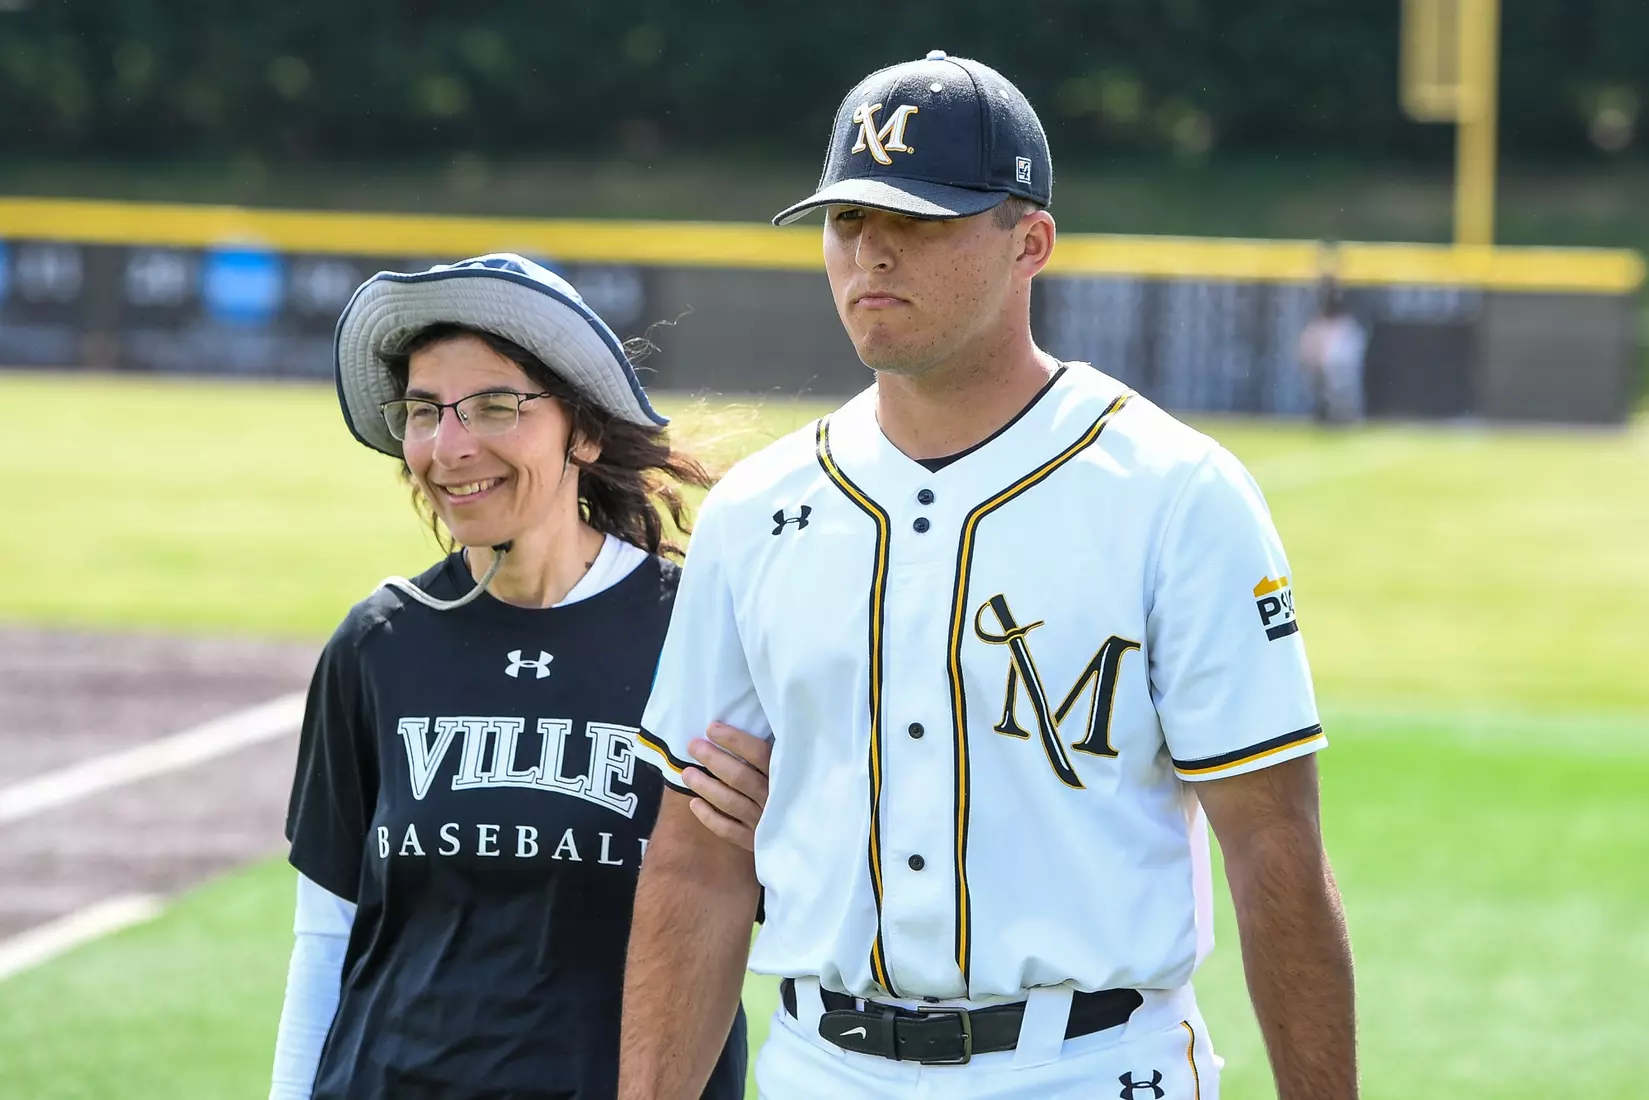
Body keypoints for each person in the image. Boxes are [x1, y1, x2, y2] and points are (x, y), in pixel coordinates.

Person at [621, 52, 1357, 1100]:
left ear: (1030, 243)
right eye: (845, 221)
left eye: (918, 218)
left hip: (1092, 1064)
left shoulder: (1174, 491)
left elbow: (1272, 849)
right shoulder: (758, 508)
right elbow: (694, 861)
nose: (870, 248)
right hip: (818, 1065)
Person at [269, 254, 768, 1100]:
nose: (450, 446)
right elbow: (326, 937)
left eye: (495, 406)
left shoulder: (703, 631)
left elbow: (789, 914)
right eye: (424, 412)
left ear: (586, 430)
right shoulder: (377, 642)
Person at [1297, 269, 1368, 425]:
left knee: (1343, 394)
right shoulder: (1318, 323)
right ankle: (1326, 418)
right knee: (1326, 394)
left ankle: (1345, 419)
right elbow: (1308, 347)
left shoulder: (1346, 323)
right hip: (1327, 365)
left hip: (1340, 364)